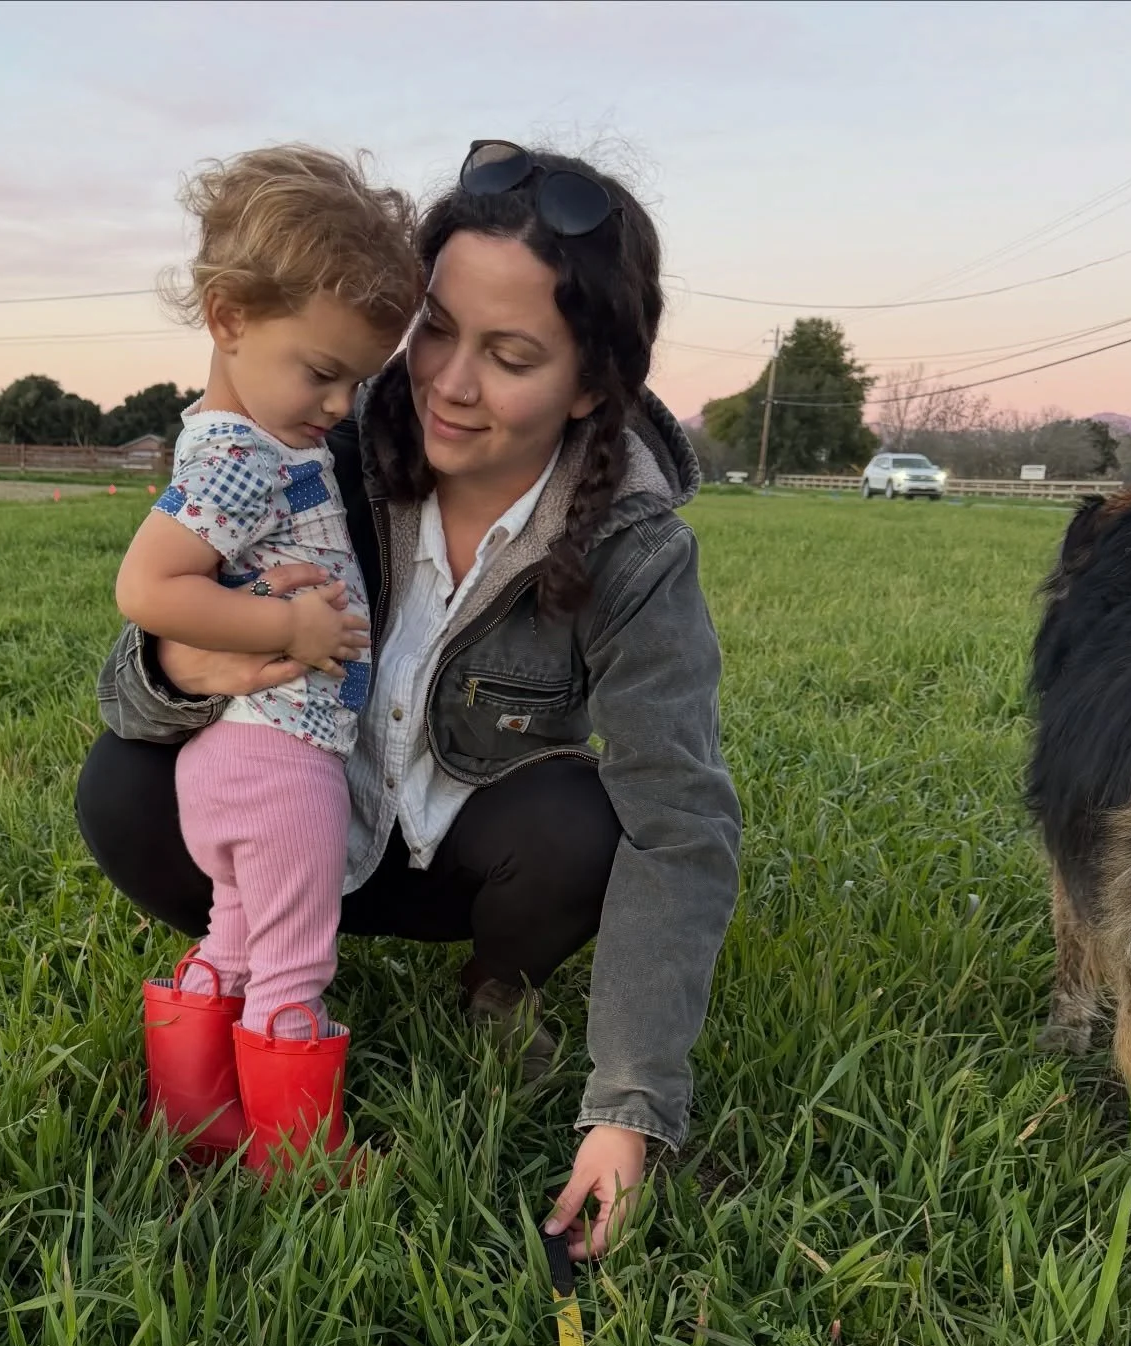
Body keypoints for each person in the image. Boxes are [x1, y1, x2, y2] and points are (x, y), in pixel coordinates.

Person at [80, 140, 743, 1256]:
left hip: (462, 856)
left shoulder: (633, 546)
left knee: (583, 824)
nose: (448, 383)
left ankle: (497, 987)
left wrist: (628, 1107)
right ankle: (242, 1022)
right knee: (125, 782)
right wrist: (193, 665)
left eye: (511, 355)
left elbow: (681, 823)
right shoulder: (315, 429)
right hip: (296, 814)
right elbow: (131, 664)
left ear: (591, 386)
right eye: (436, 328)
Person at [113, 146, 420, 1172]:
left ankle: (195, 1122)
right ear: (229, 317)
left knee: (234, 941)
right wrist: (289, 633)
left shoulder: (239, 438)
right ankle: (297, 1160)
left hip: (236, 757)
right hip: (282, 760)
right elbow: (148, 587)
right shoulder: (242, 456)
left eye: (355, 381)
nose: (338, 405)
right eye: (322, 373)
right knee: (293, 965)